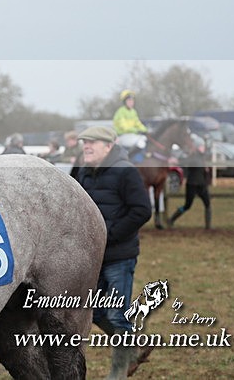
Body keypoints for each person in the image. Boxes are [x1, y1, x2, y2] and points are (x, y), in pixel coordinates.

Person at [75, 126, 151, 380]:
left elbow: (141, 210)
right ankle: (134, 345)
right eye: (85, 142)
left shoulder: (125, 172)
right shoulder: (82, 171)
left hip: (120, 256)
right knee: (94, 312)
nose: (86, 146)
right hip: (94, 257)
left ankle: (119, 373)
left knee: (117, 315)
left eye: (92, 142)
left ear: (108, 146)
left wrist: (109, 236)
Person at [169, 141, 213, 229]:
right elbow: (184, 162)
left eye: (203, 146)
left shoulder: (202, 157)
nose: (203, 148)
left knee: (207, 204)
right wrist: (175, 160)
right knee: (187, 205)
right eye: (201, 146)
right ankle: (171, 220)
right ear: (197, 148)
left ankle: (208, 226)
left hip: (201, 185)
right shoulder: (193, 157)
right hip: (192, 184)